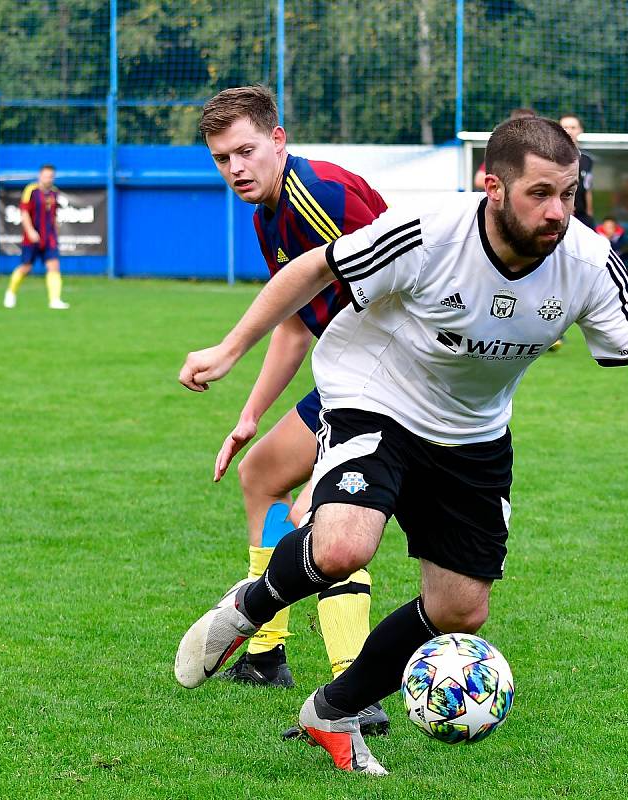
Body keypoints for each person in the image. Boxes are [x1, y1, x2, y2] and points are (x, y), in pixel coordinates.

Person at [175, 117, 628, 776]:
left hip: (472, 431)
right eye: (539, 194)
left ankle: (332, 710)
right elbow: (313, 269)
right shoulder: (430, 233)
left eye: (567, 193)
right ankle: (250, 606)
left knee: (460, 610)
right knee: (341, 546)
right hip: (374, 394)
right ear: (491, 185)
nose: (557, 211)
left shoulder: (586, 260)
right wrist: (229, 348)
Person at [193, 85, 390, 735]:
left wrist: (341, 448)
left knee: (323, 516)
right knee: (260, 476)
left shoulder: (320, 198)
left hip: (396, 375)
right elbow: (295, 324)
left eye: (246, 150)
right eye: (223, 158)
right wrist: (248, 417)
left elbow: (395, 305)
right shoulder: (268, 215)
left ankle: (356, 686)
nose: (236, 168)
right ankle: (265, 652)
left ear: (279, 140)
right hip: (348, 372)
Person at [3, 164, 69, 310]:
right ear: (40, 176)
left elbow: (54, 215)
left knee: (54, 266)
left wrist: (56, 229)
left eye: (51, 176)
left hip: (49, 237)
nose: (48, 179)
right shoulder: (31, 191)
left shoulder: (55, 193)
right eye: (46, 176)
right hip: (32, 237)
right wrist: (31, 231)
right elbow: (24, 212)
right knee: (26, 267)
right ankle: (10, 293)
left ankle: (55, 300)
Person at [473, 107, 537, 190]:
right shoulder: (502, 152)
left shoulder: (540, 152)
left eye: (532, 126)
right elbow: (479, 179)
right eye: (524, 126)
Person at [559, 114, 594, 229]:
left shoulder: (586, 160)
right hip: (560, 214)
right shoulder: (551, 158)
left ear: (580, 130)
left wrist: (589, 214)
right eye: (565, 127)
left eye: (573, 127)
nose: (569, 131)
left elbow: (587, 188)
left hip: (581, 216)